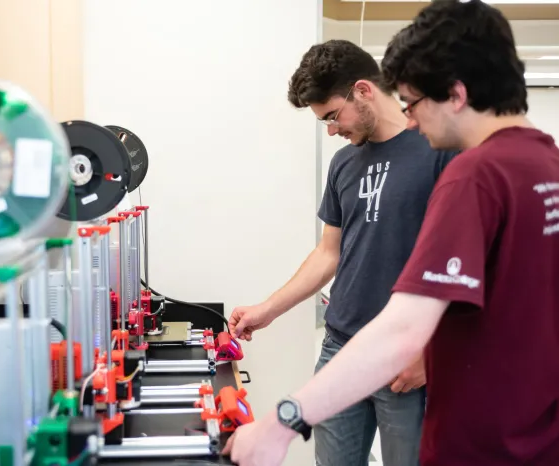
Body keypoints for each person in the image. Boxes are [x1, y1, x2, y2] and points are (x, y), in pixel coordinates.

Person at [223, 1, 559, 465]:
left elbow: (403, 328)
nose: (413, 119)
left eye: (414, 103)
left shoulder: (473, 174)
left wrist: (282, 421)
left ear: (456, 95)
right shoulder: (546, 163)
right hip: (530, 435)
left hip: (478, 437)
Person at [228, 39, 457, 466]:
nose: (332, 130)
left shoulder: (437, 150)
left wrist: (433, 349)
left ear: (364, 90)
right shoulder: (343, 164)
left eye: (333, 116)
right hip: (341, 347)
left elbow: (463, 263)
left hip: (405, 353)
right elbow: (328, 254)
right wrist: (269, 308)